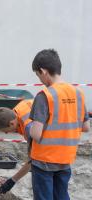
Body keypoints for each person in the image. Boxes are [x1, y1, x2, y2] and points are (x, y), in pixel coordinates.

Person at [29, 49, 90, 200]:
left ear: (43, 71)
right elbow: (86, 127)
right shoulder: (79, 93)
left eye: (38, 75)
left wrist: (28, 127)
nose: (39, 80)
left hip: (44, 161)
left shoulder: (45, 96)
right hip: (65, 159)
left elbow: (36, 135)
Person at [0, 99, 33, 194]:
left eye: (5, 130)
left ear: (11, 123)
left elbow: (33, 160)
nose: (6, 133)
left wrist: (13, 180)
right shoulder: (17, 111)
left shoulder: (29, 127)